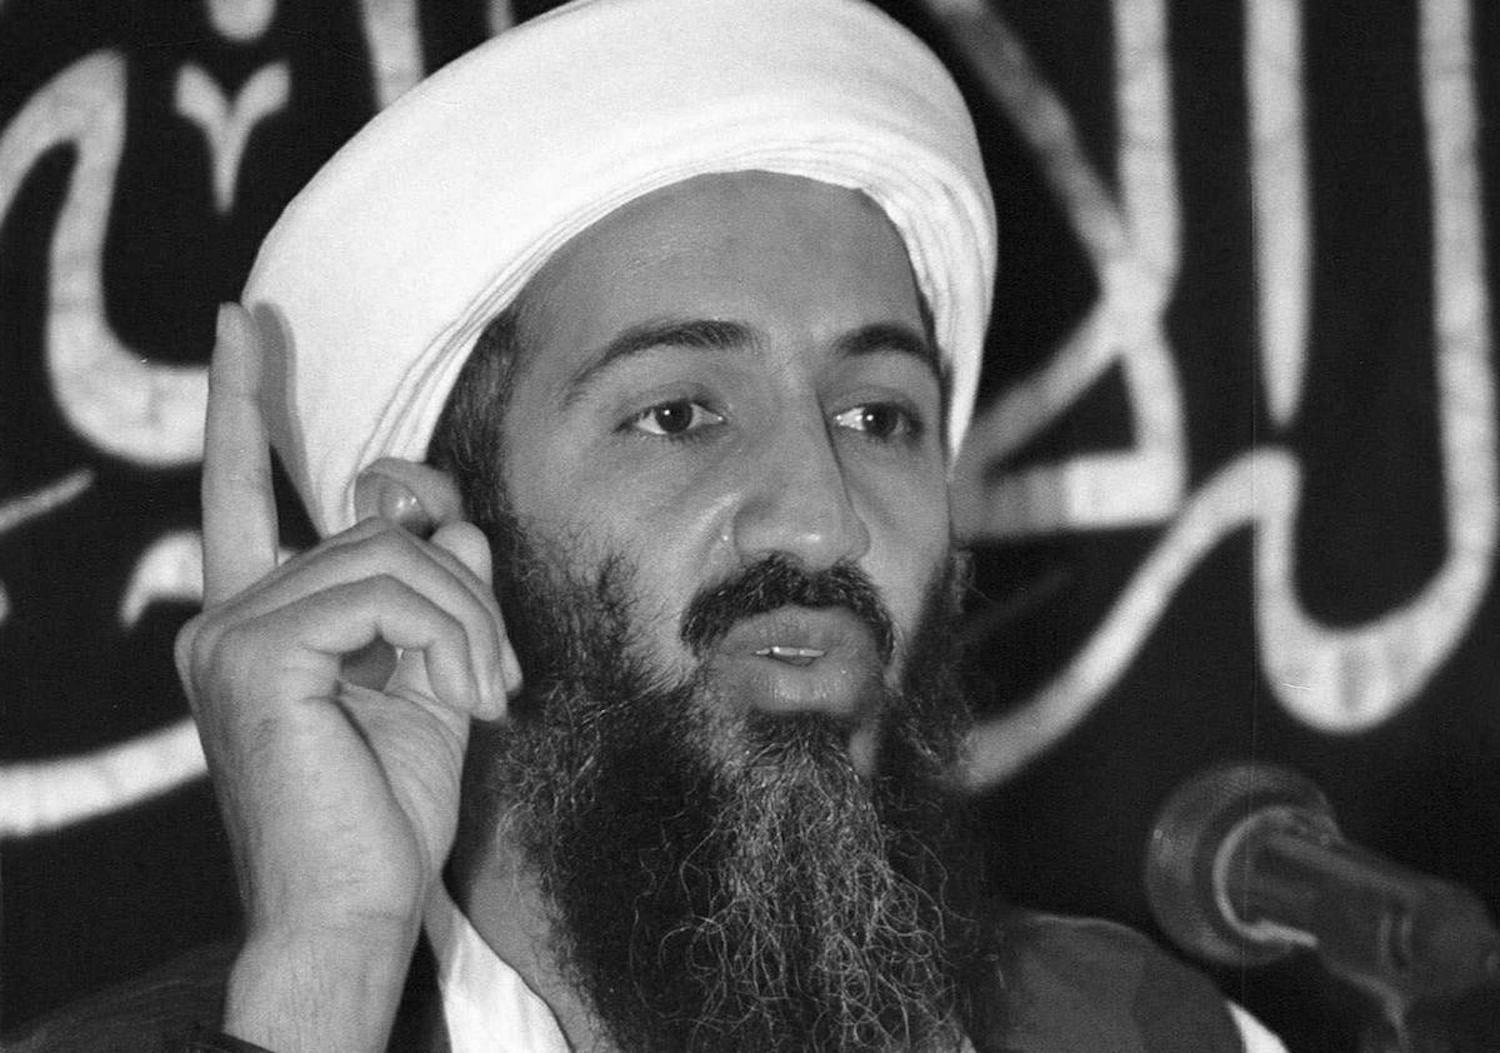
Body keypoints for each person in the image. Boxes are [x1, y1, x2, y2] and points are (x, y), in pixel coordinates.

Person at [12, 0, 1287, 1050]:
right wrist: (325, 968)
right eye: (680, 415)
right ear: (428, 532)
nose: (822, 520)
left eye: (879, 417)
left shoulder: (1140, 1031)